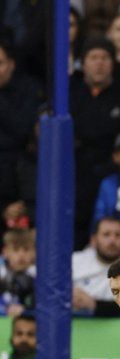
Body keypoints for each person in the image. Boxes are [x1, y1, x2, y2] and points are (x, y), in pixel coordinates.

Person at [70, 37, 120, 248]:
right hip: (75, 172)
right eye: (93, 57)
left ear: (113, 63)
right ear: (83, 63)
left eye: (105, 57)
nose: (99, 63)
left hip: (113, 173)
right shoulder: (70, 94)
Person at [0, 39, 41, 225]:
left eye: (0, 63)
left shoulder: (28, 89)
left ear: (11, 64)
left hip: (21, 177)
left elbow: (22, 129)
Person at [72, 217, 120, 317]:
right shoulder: (75, 262)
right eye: (106, 235)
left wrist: (94, 305)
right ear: (93, 240)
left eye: (118, 235)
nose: (112, 240)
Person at [0, 229, 35, 317]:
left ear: (34, 252)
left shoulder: (38, 276)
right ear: (5, 252)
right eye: (16, 250)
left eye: (26, 250)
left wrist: (26, 309)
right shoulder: (1, 273)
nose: (21, 255)